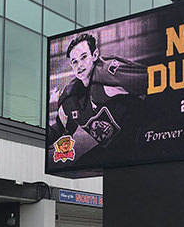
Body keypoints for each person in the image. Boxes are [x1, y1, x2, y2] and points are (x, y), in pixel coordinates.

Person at [48, 33, 148, 164]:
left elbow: (154, 81)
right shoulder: (70, 97)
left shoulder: (109, 74)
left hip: (140, 138)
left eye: (83, 57)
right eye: (75, 62)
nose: (79, 65)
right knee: (81, 164)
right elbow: (59, 129)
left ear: (95, 55)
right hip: (116, 149)